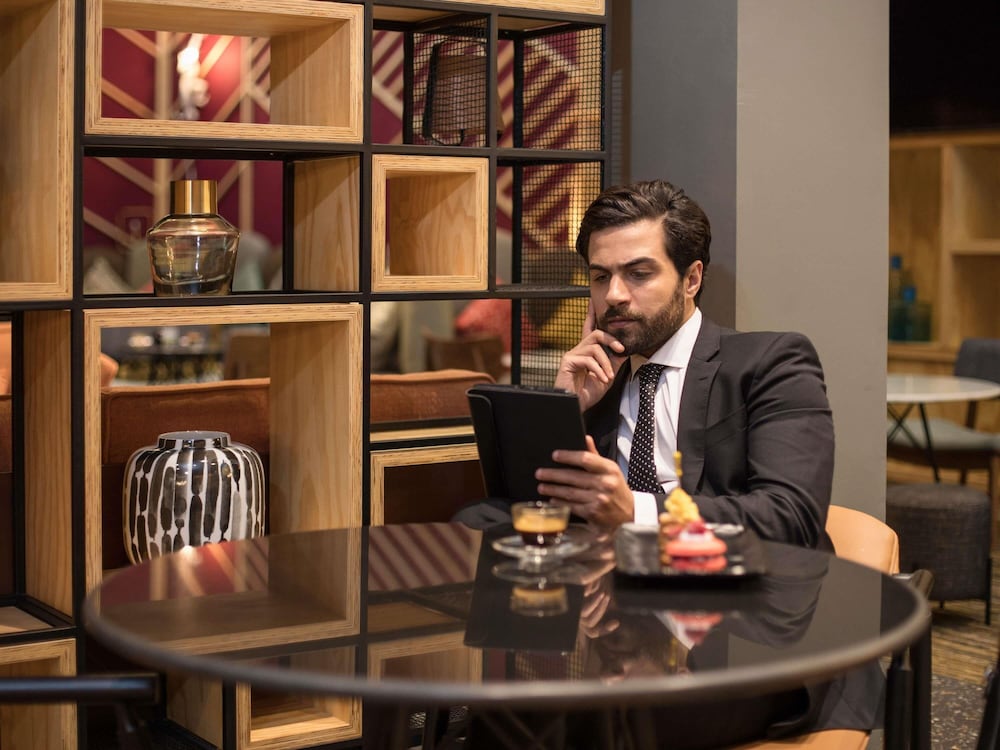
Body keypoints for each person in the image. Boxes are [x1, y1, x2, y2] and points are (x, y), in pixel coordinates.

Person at [533, 178, 835, 550]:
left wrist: (637, 511)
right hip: (609, 578)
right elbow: (533, 509)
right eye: (600, 277)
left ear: (691, 279)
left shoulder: (771, 363)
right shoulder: (596, 381)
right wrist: (567, 410)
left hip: (733, 579)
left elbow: (791, 518)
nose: (613, 295)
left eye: (638, 274)